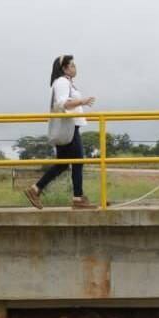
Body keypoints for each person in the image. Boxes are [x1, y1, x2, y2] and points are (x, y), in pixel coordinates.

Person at [25, 54, 95, 209]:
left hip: (68, 127)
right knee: (78, 162)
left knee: (63, 164)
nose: (75, 67)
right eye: (72, 65)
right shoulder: (62, 82)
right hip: (69, 128)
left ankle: (35, 189)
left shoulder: (65, 82)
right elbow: (63, 103)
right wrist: (82, 101)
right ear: (64, 68)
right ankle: (78, 198)